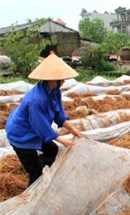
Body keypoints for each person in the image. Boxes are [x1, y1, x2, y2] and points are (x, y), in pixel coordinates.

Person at [5, 52, 83, 187]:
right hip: (21, 135)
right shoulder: (37, 100)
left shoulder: (55, 91)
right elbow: (42, 128)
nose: (64, 81)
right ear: (52, 79)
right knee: (35, 174)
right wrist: (64, 141)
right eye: (61, 78)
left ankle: (42, 168)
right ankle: (31, 199)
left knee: (52, 150)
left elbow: (59, 115)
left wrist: (73, 129)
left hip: (33, 131)